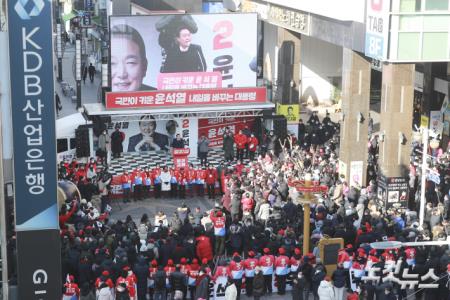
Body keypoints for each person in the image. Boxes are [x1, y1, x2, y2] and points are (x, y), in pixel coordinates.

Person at [110, 24, 156, 92]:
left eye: (130, 62)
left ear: (144, 67)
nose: (122, 74)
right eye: (112, 63)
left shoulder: (157, 96)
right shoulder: (101, 95)